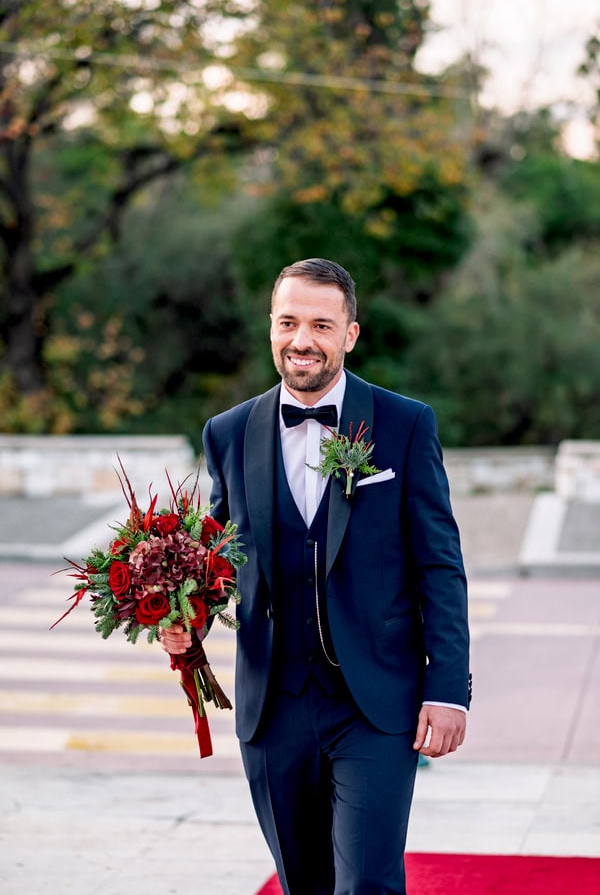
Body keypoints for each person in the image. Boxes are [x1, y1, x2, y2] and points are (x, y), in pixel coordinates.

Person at [160, 258, 471, 895]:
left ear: (350, 335)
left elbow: (440, 564)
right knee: (304, 882)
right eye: (288, 322)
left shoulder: (406, 425)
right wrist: (181, 617)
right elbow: (218, 561)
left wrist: (449, 687)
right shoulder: (226, 433)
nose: (302, 340)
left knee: (368, 883)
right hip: (273, 706)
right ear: (271, 328)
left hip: (375, 703)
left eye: (321, 325)